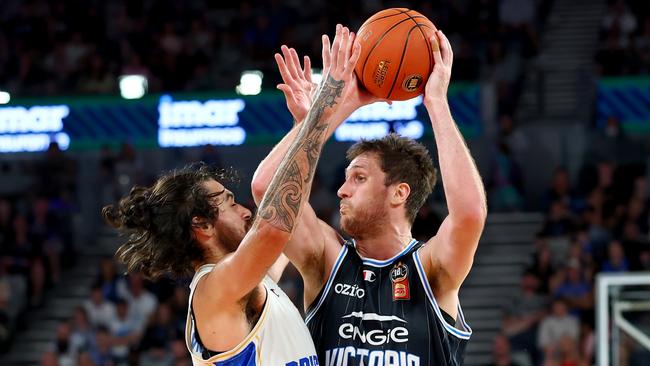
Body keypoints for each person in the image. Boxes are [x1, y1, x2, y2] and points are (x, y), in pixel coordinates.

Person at [101, 26, 361, 363]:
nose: (246, 212)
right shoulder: (215, 291)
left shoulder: (248, 282)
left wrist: (318, 118)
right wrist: (325, 107)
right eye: (230, 203)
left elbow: (287, 207)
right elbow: (274, 226)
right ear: (203, 226)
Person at [253, 25, 486, 365]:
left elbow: (469, 214)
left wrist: (435, 102)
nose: (341, 190)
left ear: (399, 193)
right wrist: (328, 113)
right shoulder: (327, 259)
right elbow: (267, 190)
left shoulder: (432, 269)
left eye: (359, 178)